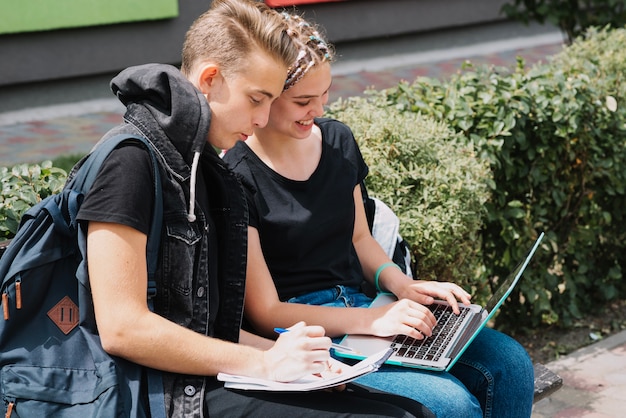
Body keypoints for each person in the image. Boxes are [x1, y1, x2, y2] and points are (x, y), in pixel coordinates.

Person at [77, 1, 435, 417]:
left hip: (204, 376)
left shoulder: (201, 164)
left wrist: (296, 357)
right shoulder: (131, 162)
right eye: (256, 99)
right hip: (151, 394)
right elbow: (124, 330)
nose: (264, 118)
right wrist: (264, 361)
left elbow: (208, 325)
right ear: (210, 79)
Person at [223, 11, 535, 418]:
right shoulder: (237, 176)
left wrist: (403, 287)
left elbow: (360, 239)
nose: (318, 109)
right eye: (303, 101)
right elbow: (267, 312)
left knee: (509, 364)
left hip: (367, 309)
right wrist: (374, 319)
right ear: (266, 94)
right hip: (312, 336)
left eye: (325, 94)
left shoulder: (337, 140)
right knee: (451, 404)